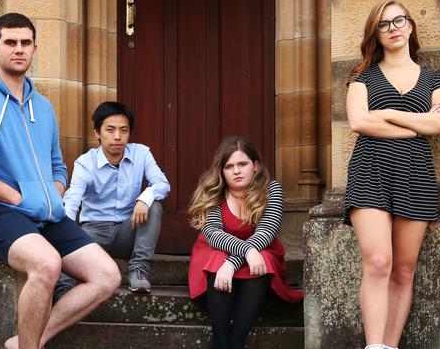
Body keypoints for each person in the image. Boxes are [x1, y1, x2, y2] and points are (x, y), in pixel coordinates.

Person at [0, 13, 121, 349]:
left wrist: (52, 197)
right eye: (10, 42)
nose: (18, 49)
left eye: (25, 43)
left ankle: (26, 342)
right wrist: (17, 199)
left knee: (107, 275)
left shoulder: (43, 107)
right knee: (47, 264)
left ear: (34, 49)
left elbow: (59, 167)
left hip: (41, 213)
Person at [343, 0, 440, 349]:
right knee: (378, 262)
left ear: (410, 26)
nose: (393, 29)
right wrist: (414, 127)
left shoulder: (434, 78)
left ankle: (389, 346)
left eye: (398, 21)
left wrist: (387, 112)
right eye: (384, 24)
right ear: (375, 33)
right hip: (370, 172)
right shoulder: (362, 78)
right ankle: (374, 346)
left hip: (415, 175)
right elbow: (359, 121)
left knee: (403, 270)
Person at [187, 136, 303, 349]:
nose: (236, 171)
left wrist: (233, 262)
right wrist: (243, 253)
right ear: (221, 171)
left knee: (264, 256)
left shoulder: (272, 190)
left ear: (256, 166)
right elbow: (213, 234)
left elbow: (267, 232)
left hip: (258, 253)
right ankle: (221, 341)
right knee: (217, 258)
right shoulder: (213, 192)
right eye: (229, 166)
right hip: (215, 251)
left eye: (242, 164)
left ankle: (237, 341)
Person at [55, 101, 170, 296]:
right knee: (68, 235)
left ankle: (139, 272)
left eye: (123, 130)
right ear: (97, 133)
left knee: (154, 205)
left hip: (129, 230)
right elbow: (72, 200)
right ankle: (62, 290)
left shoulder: (142, 153)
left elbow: (162, 184)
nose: (117, 137)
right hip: (94, 234)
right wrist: (62, 230)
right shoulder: (85, 162)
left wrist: (145, 197)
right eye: (110, 129)